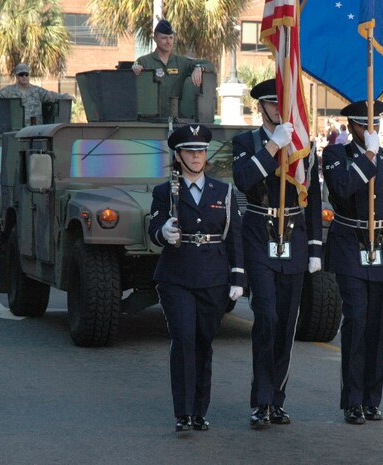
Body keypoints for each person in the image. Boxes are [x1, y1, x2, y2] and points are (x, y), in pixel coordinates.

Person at [231, 79, 323, 429]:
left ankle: (277, 400)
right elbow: (243, 179)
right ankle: (261, 400)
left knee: (286, 323)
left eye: (282, 102)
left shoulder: (302, 144)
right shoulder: (246, 142)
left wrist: (315, 246)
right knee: (266, 316)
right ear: (261, 107)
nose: (278, 108)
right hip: (259, 234)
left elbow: (311, 197)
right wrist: (272, 148)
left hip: (294, 238)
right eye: (272, 103)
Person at [149, 123, 245, 433]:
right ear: (177, 156)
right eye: (189, 151)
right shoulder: (166, 192)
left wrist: (237, 278)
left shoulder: (223, 191)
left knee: (204, 342)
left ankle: (201, 410)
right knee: (184, 340)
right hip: (176, 275)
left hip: (213, 277)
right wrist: (163, 232)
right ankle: (184, 412)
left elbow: (234, 238)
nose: (196, 156)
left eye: (201, 151)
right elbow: (153, 229)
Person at [322, 100, 383, 425]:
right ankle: (352, 400)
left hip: (381, 249)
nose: (371, 130)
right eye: (363, 125)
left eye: (375, 125)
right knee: (355, 321)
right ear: (351, 127)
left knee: (376, 327)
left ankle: (372, 399)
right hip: (349, 246)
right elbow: (342, 188)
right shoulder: (335, 156)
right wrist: (368, 157)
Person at [132, 20, 214, 118]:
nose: (168, 41)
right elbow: (132, 72)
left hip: (176, 119)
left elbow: (209, 64)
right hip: (152, 119)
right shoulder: (144, 61)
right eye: (164, 38)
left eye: (171, 38)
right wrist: (135, 69)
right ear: (155, 38)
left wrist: (199, 68)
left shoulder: (181, 62)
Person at [0, 63, 75, 126]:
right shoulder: (9, 90)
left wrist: (65, 96)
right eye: (21, 74)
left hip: (36, 130)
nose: (24, 77)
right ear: (17, 76)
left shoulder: (36, 91)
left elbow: (51, 96)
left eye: (26, 74)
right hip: (18, 130)